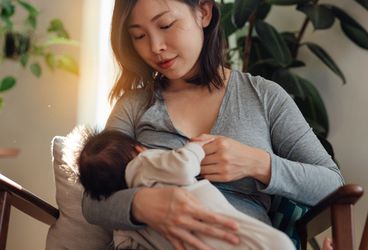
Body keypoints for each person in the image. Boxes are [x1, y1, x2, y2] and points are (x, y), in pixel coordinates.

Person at [82, 0, 345, 249]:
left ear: (204, 12)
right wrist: (142, 204)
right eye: (139, 35)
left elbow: (333, 185)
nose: (155, 46)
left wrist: (258, 163)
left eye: (165, 25)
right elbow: (92, 201)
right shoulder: (134, 105)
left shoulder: (264, 96)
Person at [78, 129, 295, 250]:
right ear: (138, 149)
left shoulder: (124, 228)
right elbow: (182, 165)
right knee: (279, 244)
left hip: (188, 241)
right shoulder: (143, 162)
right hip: (219, 221)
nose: (157, 48)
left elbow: (329, 181)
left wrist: (259, 164)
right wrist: (196, 147)